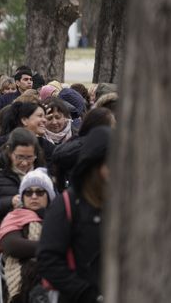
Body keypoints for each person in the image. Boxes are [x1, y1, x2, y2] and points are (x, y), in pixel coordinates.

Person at [38, 127, 110, 303]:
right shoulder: (66, 204)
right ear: (94, 165)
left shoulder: (125, 203)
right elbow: (48, 259)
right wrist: (88, 294)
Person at [0, 128, 45, 261]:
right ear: (10, 152)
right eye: (19, 157)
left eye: (29, 157)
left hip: (32, 245)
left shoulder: (42, 176)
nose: (24, 163)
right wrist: (10, 202)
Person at [0, 168, 55, 303]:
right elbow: (11, 245)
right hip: (25, 279)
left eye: (40, 192)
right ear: (22, 197)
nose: (34, 196)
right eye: (28, 193)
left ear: (49, 196)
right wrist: (53, 247)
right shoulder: (15, 216)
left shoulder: (58, 218)